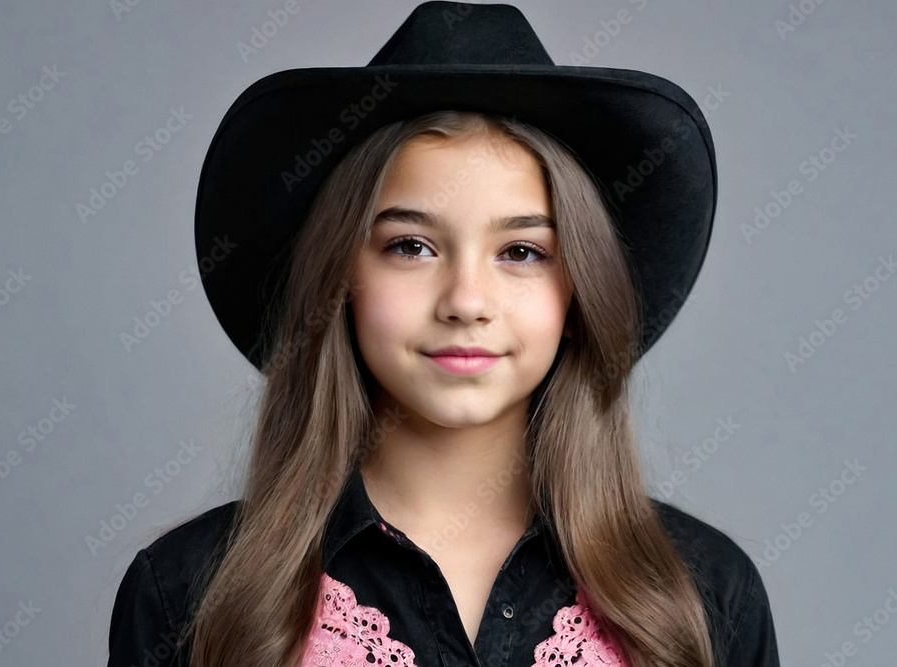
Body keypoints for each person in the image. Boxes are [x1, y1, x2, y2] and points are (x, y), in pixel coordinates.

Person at [107, 2, 780, 666]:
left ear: (578, 292)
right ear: (339, 278)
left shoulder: (707, 595)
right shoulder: (189, 596)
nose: (465, 301)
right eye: (411, 246)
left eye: (521, 251)